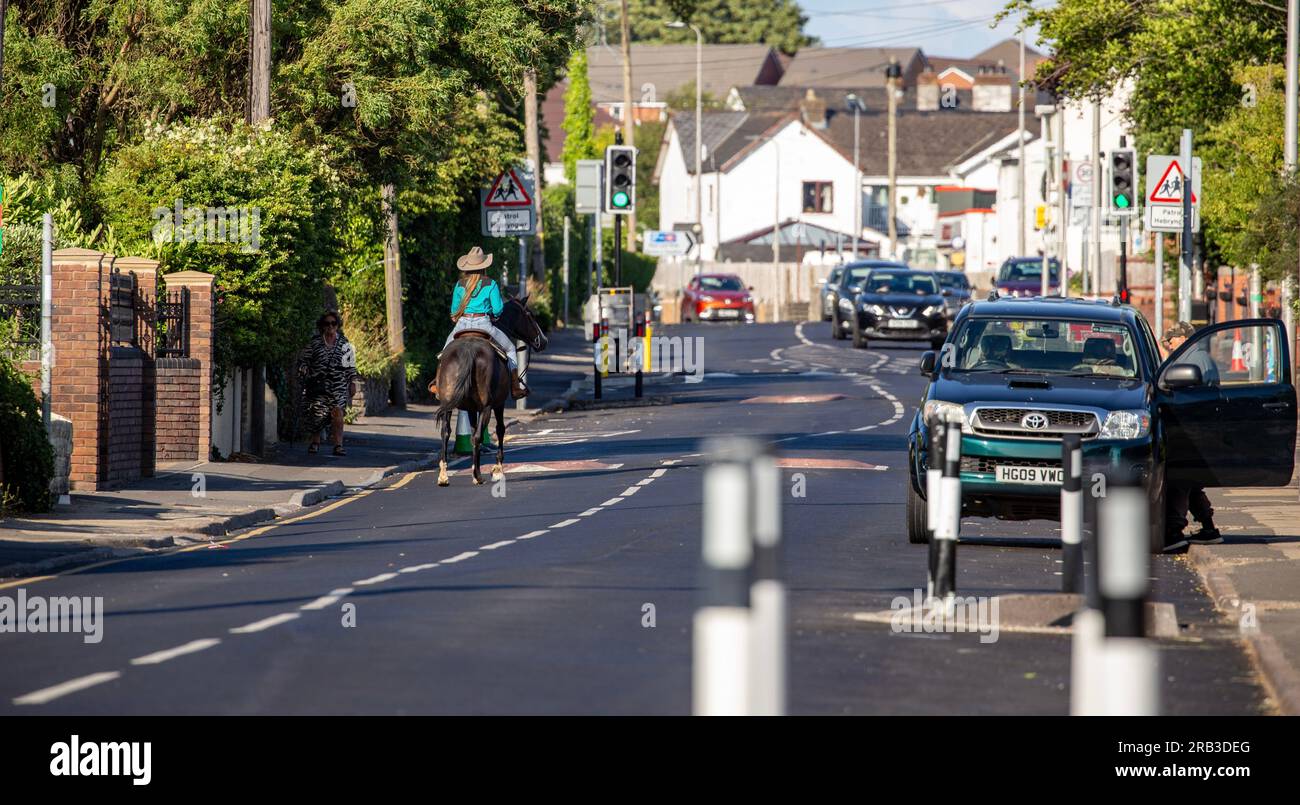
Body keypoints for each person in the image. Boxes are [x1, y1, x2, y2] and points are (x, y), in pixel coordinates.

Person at [1160, 321, 1222, 552]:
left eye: (1172, 339)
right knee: (1192, 481)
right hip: (1197, 428)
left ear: (1184, 337)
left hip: (1193, 429)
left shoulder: (1194, 360)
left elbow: (1187, 396)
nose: (1169, 344)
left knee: (1180, 478)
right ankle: (1209, 528)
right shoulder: (1194, 356)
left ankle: (1173, 532)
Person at [438, 246, 527, 399]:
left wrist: (458, 317)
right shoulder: (490, 284)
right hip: (484, 325)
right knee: (511, 349)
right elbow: (498, 309)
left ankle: (438, 385)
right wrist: (495, 316)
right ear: (484, 266)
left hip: (462, 325)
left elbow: (453, 313)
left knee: (444, 353)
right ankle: (515, 387)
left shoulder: (460, 284)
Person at [301, 311, 358, 456]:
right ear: (322, 326)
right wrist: (304, 370)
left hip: (337, 385)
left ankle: (338, 445)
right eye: (327, 323)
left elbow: (350, 366)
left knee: (338, 413)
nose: (330, 326)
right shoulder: (315, 343)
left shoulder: (344, 344)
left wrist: (352, 382)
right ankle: (315, 442)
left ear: (338, 325)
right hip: (318, 385)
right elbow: (304, 360)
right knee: (317, 414)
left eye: (333, 323)